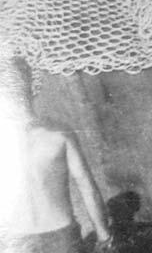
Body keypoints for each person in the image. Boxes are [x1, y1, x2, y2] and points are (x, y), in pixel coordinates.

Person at [0, 56, 112, 253]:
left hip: (16, 241)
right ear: (29, 88)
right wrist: (104, 236)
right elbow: (88, 188)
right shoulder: (58, 135)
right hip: (62, 238)